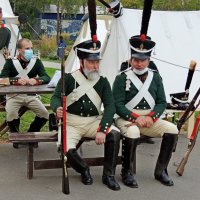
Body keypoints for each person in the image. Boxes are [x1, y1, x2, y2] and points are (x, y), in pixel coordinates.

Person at [51, 39, 121, 191]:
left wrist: (103, 129)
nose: (96, 66)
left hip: (93, 122)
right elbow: (55, 97)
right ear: (82, 62)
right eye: (91, 62)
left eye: (97, 62)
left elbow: (110, 106)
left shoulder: (103, 82)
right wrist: (57, 108)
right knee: (67, 150)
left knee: (114, 135)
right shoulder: (69, 79)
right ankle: (83, 169)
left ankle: (109, 175)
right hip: (71, 123)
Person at [112, 35, 178, 188]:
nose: (139, 63)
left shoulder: (156, 77)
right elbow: (117, 105)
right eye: (136, 60)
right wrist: (135, 117)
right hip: (126, 117)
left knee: (172, 129)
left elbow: (162, 102)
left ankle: (161, 171)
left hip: (149, 118)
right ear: (131, 59)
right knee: (133, 132)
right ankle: (126, 172)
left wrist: (151, 116)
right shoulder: (122, 78)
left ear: (149, 60)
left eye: (142, 60)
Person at [0, 38, 50, 148]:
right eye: (27, 48)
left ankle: (31, 136)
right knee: (11, 114)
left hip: (31, 96)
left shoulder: (36, 62)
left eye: (31, 48)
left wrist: (37, 80)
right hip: (14, 96)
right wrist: (15, 80)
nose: (30, 51)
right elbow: (1, 78)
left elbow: (46, 77)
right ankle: (16, 137)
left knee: (44, 114)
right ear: (19, 50)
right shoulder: (10, 62)